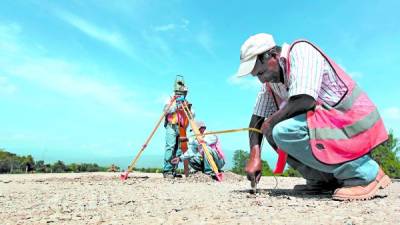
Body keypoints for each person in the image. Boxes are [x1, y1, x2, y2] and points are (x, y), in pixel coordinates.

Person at [236, 33, 391, 200]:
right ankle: (324, 179)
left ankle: (365, 173)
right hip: (330, 126)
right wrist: (255, 155)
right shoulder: (271, 83)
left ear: (273, 55)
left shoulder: (301, 51)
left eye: (261, 73)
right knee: (271, 129)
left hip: (352, 121)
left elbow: (304, 100)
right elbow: (257, 119)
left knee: (280, 129)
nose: (261, 80)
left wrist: (271, 123)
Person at [162, 81, 191, 178]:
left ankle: (173, 170)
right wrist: (176, 105)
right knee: (170, 147)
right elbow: (166, 110)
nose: (184, 94)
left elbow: (192, 115)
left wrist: (187, 108)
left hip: (182, 127)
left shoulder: (186, 101)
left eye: (185, 92)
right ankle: (167, 170)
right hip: (172, 125)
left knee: (178, 150)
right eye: (183, 92)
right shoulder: (171, 99)